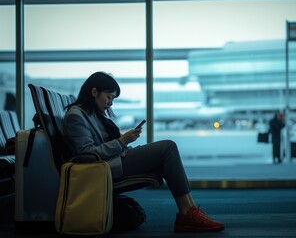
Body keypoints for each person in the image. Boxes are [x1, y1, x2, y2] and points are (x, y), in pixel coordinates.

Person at [62, 71, 225, 233]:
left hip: (116, 158)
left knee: (167, 151)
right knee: (168, 147)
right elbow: (86, 154)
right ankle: (187, 213)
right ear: (94, 92)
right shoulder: (76, 116)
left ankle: (189, 211)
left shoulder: (93, 115)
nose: (111, 103)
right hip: (103, 169)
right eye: (109, 97)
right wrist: (122, 141)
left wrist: (124, 145)